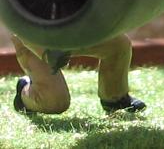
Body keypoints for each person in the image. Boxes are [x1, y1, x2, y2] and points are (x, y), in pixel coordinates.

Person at [11, 34, 146, 114]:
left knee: (118, 44)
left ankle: (115, 98)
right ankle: (24, 92)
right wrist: (47, 54)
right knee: (55, 103)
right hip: (33, 39)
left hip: (73, 28)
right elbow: (17, 22)